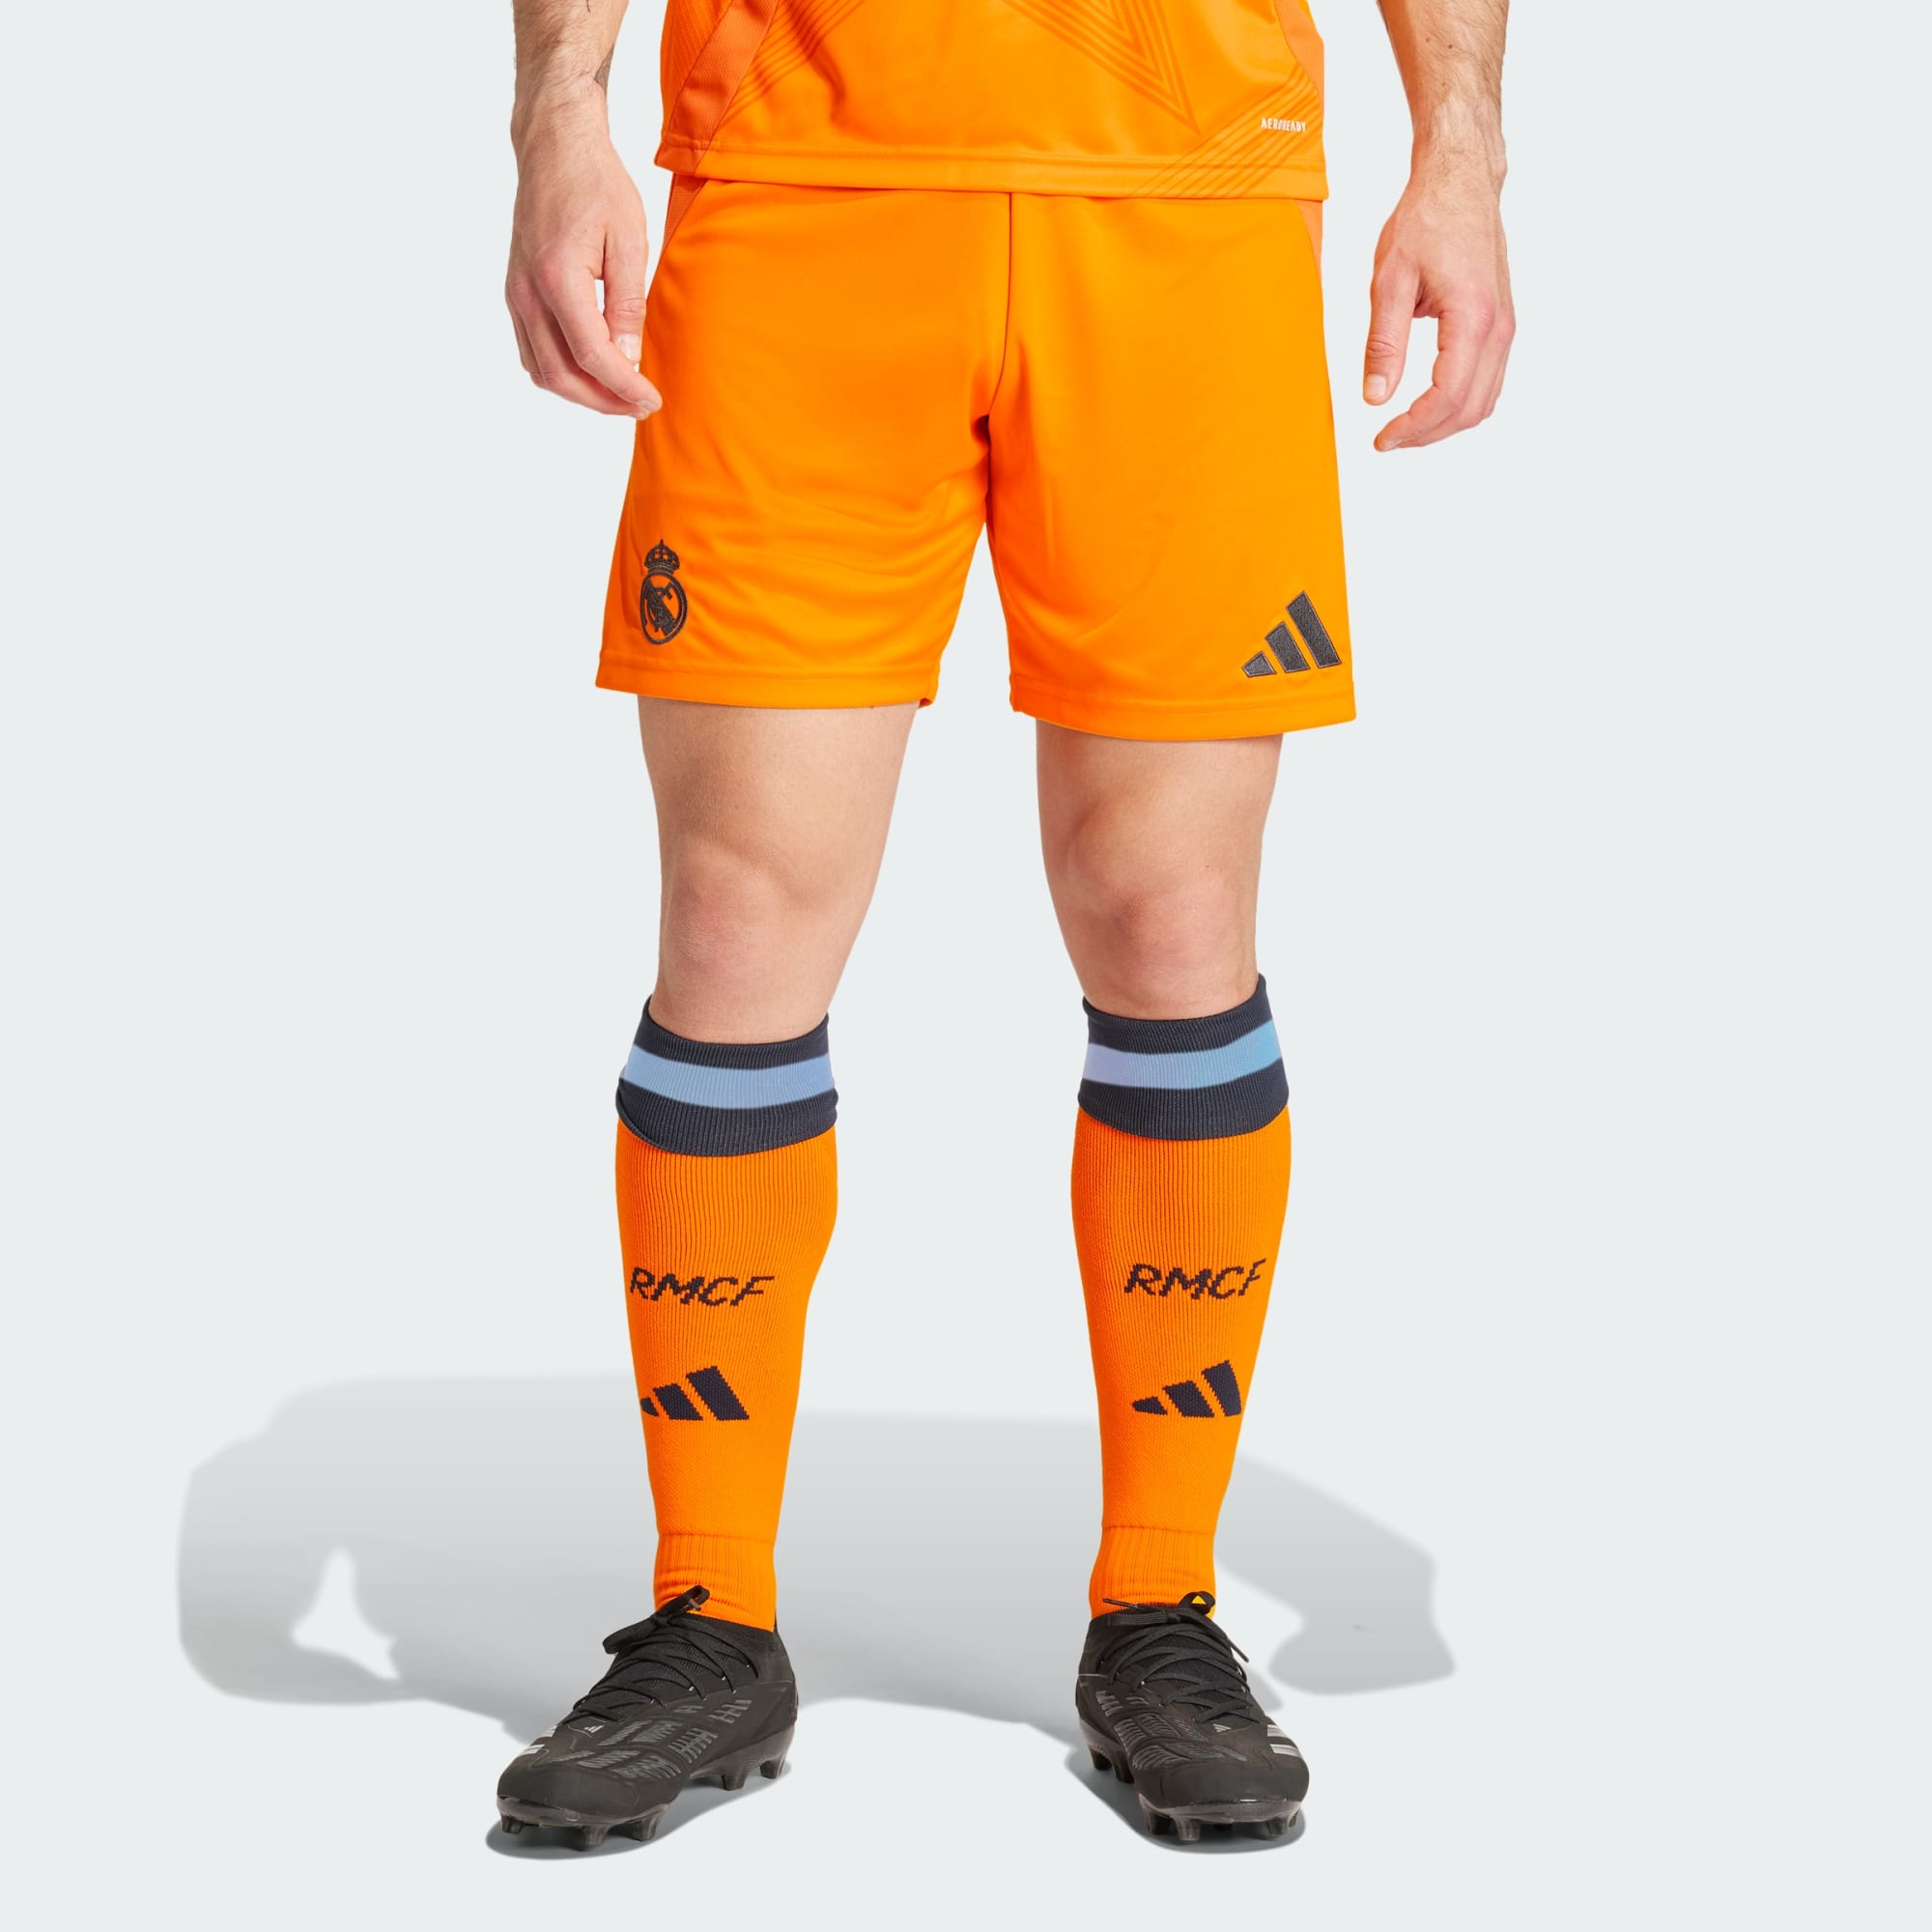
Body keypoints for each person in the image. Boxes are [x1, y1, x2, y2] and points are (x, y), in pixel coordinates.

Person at [495, 0, 1512, 1849]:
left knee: (1171, 914)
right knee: (734, 914)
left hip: (1187, 197)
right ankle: (710, 1611)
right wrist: (558, 115)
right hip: (800, 179)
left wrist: (1463, 151)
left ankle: (1161, 1603)